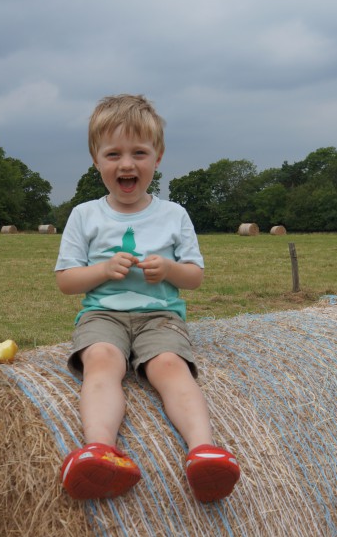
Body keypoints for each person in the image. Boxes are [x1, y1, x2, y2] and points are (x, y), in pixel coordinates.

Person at [54, 94, 240, 503]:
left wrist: (169, 269)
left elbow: (195, 277)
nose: (127, 164)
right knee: (102, 361)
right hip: (103, 315)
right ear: (96, 160)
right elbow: (66, 281)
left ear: (158, 157)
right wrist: (103, 270)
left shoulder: (173, 215)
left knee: (171, 367)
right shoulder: (85, 215)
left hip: (160, 317)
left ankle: (203, 451)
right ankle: (99, 451)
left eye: (139, 153)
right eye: (113, 154)